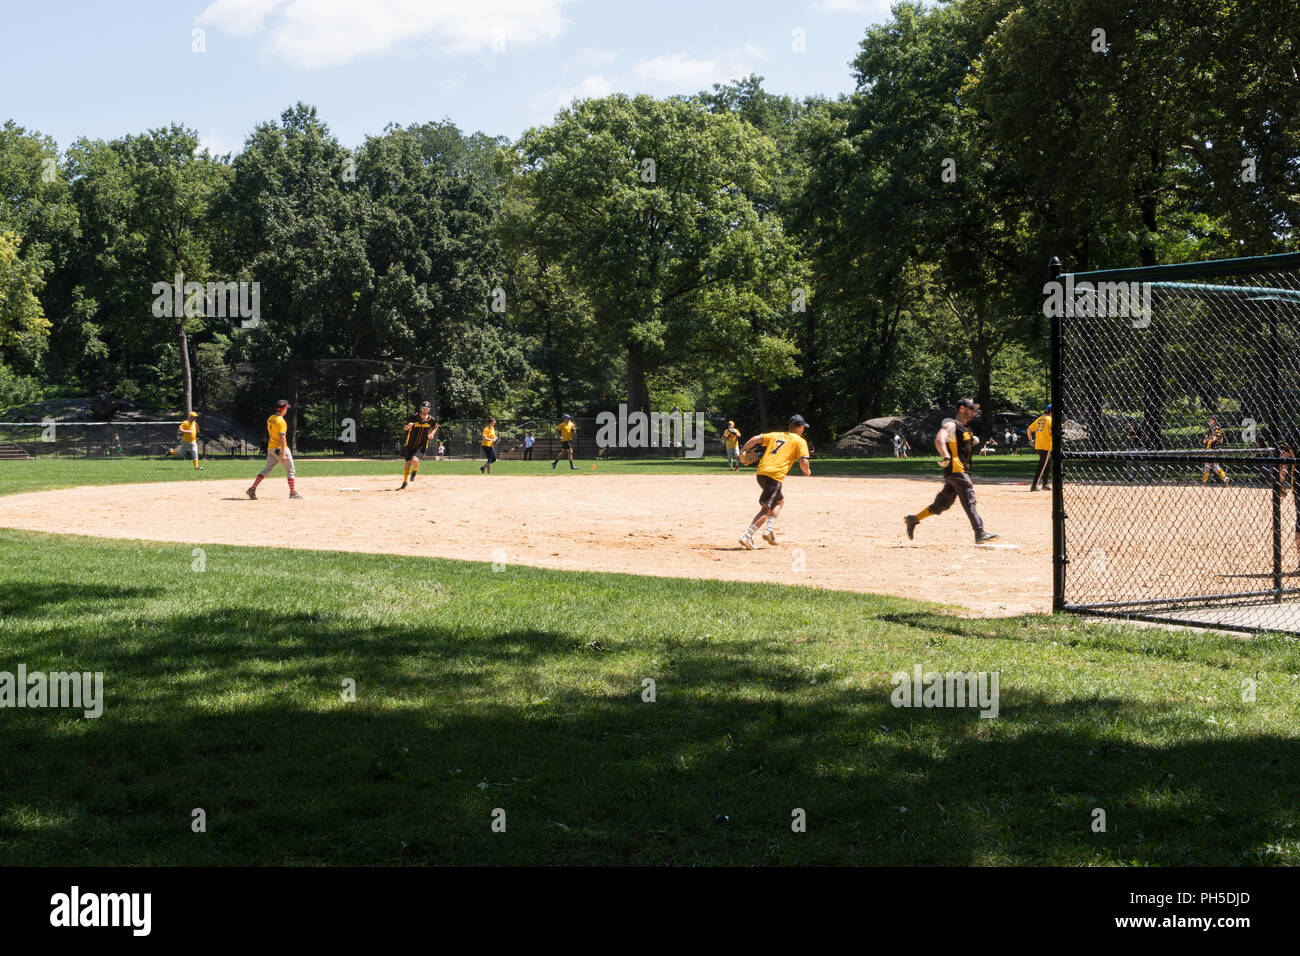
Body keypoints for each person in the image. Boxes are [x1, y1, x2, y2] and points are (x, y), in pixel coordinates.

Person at [904, 398, 998, 544]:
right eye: (971, 408)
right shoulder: (951, 425)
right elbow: (939, 439)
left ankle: (914, 519)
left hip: (957, 471)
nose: (974, 411)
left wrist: (973, 440)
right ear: (962, 409)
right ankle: (979, 532)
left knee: (942, 504)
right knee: (969, 499)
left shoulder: (965, 427)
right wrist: (946, 456)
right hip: (957, 470)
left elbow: (961, 443)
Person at [737, 414, 812, 550]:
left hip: (761, 473)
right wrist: (807, 472)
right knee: (766, 509)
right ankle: (747, 535)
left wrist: (741, 451)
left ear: (790, 426)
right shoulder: (800, 441)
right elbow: (804, 461)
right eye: (803, 427)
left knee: (779, 501)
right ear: (800, 427)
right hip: (774, 476)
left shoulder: (776, 435)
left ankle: (768, 531)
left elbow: (754, 439)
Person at [247, 399, 302, 499]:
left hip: (271, 448)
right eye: (286, 408)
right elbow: (282, 438)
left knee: (266, 470)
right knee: (291, 470)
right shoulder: (281, 421)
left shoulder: (271, 418)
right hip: (280, 448)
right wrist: (284, 454)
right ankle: (293, 492)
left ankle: (252, 489)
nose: (287, 410)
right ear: (284, 409)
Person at [398, 401, 438, 490]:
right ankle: (405, 482)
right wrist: (407, 427)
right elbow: (405, 427)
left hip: (422, 445)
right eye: (423, 408)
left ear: (429, 410)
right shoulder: (413, 417)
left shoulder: (431, 420)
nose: (425, 410)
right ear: (421, 408)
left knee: (415, 460)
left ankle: (415, 471)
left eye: (427, 409)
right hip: (410, 444)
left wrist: (432, 434)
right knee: (408, 463)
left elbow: (436, 426)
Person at [1027, 404, 1053, 491]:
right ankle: (1034, 485)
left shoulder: (1040, 418)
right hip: (1046, 446)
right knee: (1042, 466)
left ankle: (1045, 484)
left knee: (1047, 464)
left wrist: (1031, 440)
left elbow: (1029, 429)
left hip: (1038, 445)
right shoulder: (1050, 420)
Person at [1201, 415, 1230, 486]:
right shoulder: (1219, 429)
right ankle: (1225, 478)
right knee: (1215, 466)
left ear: (1214, 421)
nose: (1209, 421)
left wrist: (1208, 439)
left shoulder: (1212, 429)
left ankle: (1203, 483)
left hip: (1210, 449)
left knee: (1207, 466)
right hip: (1217, 449)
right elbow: (1221, 441)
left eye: (1211, 420)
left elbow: (1207, 440)